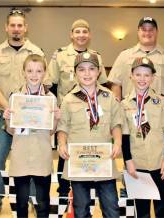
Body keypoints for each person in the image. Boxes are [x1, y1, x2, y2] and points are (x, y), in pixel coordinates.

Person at [0, 9, 45, 212]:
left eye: (20, 25)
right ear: (6, 27)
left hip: (31, 119)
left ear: (25, 28)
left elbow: (42, 81)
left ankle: (34, 200)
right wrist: (9, 107)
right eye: (13, 25)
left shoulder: (36, 52)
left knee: (32, 159)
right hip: (4, 117)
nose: (16, 29)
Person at [46, 18, 107, 197]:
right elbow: (51, 84)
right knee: (64, 150)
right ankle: (63, 188)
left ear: (89, 35)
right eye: (77, 31)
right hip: (68, 112)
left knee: (89, 149)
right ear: (71, 34)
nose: (81, 35)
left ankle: (90, 182)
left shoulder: (97, 56)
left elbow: (103, 85)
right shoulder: (60, 55)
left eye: (84, 31)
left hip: (91, 113)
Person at [57, 51, 122, 217]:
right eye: (82, 69)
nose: (87, 73)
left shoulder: (109, 97)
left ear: (99, 71)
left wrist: (118, 143)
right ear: (75, 72)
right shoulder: (68, 99)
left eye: (91, 69)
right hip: (79, 162)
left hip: (103, 160)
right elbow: (63, 127)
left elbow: (116, 124)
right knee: (81, 208)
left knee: (111, 207)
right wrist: (62, 143)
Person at [3, 54, 60, 217]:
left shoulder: (50, 98)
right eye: (30, 71)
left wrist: (55, 119)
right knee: (21, 203)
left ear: (45, 73)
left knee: (43, 202)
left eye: (38, 71)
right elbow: (11, 131)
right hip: (21, 154)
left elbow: (51, 131)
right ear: (23, 72)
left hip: (42, 153)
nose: (34, 75)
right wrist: (8, 119)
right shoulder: (15, 98)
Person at [121, 57, 164, 217]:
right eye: (138, 74)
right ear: (131, 76)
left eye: (147, 75)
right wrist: (128, 162)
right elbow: (124, 137)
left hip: (159, 163)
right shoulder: (124, 105)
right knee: (141, 209)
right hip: (136, 164)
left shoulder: (161, 102)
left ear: (153, 77)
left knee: (163, 208)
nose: (142, 79)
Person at [108, 16, 164, 107]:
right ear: (138, 32)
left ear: (157, 32)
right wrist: (118, 109)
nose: (147, 33)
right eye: (143, 29)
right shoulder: (124, 56)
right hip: (130, 112)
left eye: (151, 30)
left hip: (161, 111)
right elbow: (116, 84)